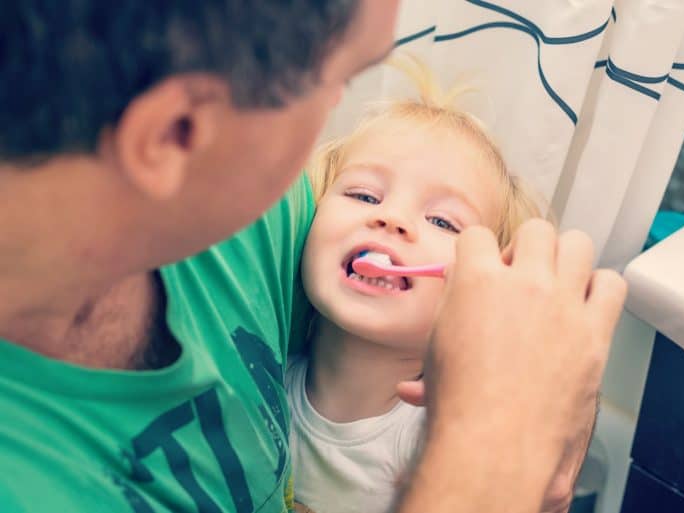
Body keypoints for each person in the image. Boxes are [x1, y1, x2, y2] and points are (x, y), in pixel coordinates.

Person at [0, 2, 627, 512]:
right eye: (338, 82)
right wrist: (498, 457)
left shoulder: (262, 225)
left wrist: (554, 392)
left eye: (439, 219)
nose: (389, 220)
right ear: (173, 135)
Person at [288, 58, 556, 513]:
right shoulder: (259, 380)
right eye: (364, 195)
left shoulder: (444, 446)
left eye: (442, 221)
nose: (391, 218)